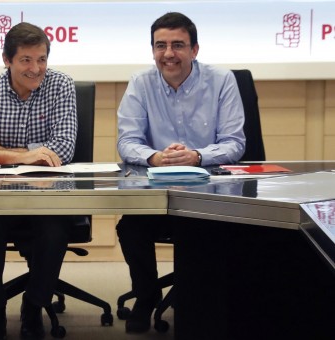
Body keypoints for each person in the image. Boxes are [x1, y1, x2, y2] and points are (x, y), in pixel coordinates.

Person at [116, 12, 246, 333]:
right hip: (156, 193)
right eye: (161, 46)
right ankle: (146, 296)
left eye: (178, 45)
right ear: (152, 51)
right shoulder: (140, 83)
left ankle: (196, 304)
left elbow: (234, 143)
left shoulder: (221, 80)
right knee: (130, 228)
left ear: (195, 50)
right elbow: (127, 142)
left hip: (208, 193)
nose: (169, 54)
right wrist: (156, 157)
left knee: (199, 232)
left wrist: (197, 156)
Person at [0, 22, 77, 340]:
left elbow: (61, 149)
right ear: (7, 60)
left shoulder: (61, 85)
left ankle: (33, 307)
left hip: (47, 198)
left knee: (55, 230)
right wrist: (24, 156)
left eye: (42, 59)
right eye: (26, 60)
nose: (36, 69)